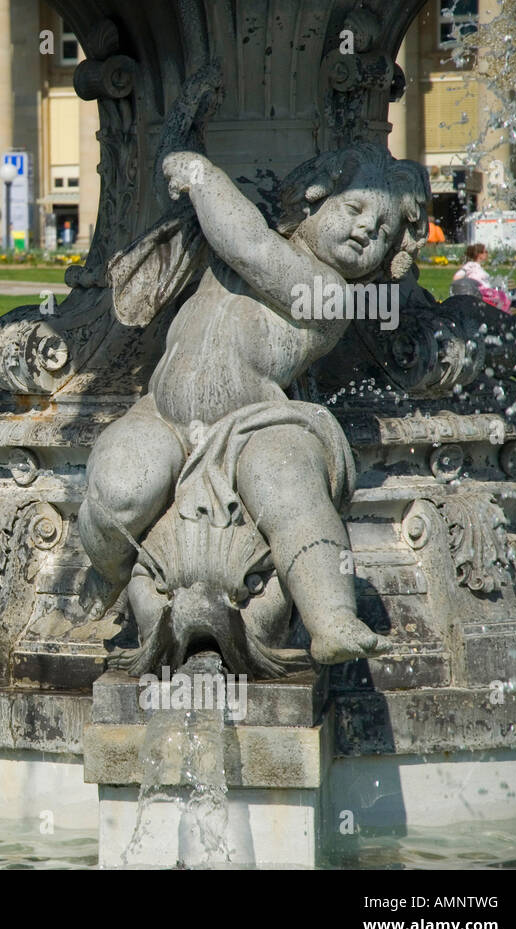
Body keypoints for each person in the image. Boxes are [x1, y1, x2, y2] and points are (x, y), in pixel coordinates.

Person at [81, 139, 429, 665]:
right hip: (163, 414)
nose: (365, 230)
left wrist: (201, 174)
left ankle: (330, 617)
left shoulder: (330, 294)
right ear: (313, 201)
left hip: (255, 425)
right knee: (120, 491)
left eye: (383, 231)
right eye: (354, 208)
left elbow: (250, 246)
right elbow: (231, 241)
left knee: (288, 488)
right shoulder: (235, 243)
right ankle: (110, 579)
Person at [452, 243, 510, 311]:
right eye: (485, 252)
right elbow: (456, 277)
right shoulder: (471, 265)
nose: (487, 254)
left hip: (489, 295)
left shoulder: (479, 267)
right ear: (479, 254)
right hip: (481, 296)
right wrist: (471, 284)